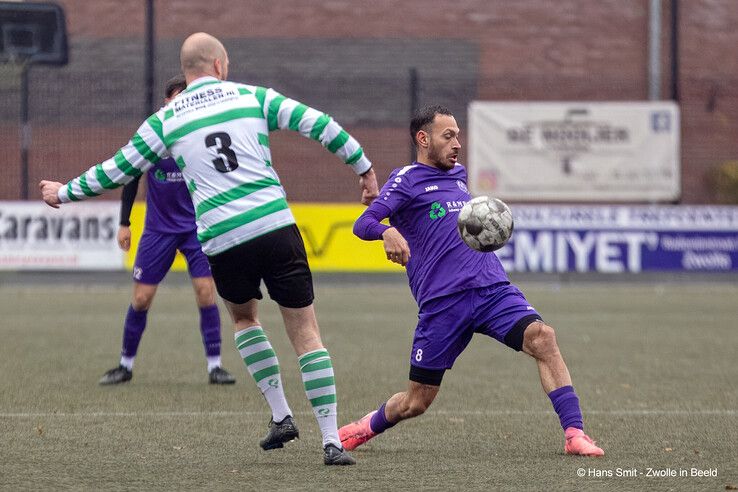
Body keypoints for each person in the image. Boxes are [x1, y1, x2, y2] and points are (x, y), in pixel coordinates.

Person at [39, 32, 379, 466]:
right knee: (306, 332)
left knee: (243, 318)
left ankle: (281, 415)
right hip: (274, 225)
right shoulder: (253, 97)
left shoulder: (165, 119)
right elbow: (320, 123)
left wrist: (62, 192)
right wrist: (363, 168)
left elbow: (115, 170)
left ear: (186, 70)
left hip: (223, 238)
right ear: (220, 64)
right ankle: (332, 442)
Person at [339, 105, 604, 457]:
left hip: (491, 289)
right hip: (442, 304)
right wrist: (387, 232)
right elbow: (363, 224)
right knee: (416, 402)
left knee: (543, 337)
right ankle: (365, 427)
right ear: (423, 139)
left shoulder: (460, 175)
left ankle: (575, 434)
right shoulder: (406, 180)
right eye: (448, 136)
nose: (457, 144)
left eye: (458, 136)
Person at [99, 74, 236, 386]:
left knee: (205, 293)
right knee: (142, 298)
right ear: (166, 101)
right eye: (174, 98)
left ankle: (215, 366)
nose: (179, 103)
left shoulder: (200, 136)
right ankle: (125, 364)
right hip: (158, 231)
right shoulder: (154, 136)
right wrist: (124, 223)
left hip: (196, 230)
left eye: (184, 97)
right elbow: (131, 176)